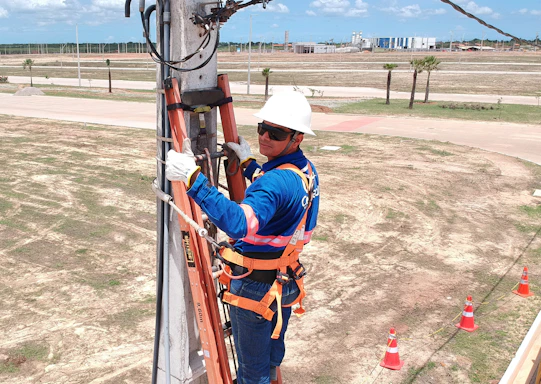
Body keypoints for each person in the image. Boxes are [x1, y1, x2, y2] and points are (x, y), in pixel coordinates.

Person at [166, 90, 320, 384]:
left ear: (297, 138)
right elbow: (278, 197)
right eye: (263, 128)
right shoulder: (305, 172)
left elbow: (239, 222)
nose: (264, 137)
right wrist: (249, 163)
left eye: (275, 133)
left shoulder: (276, 183)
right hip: (284, 280)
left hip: (255, 289)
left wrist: (193, 178)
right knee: (271, 359)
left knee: (252, 376)